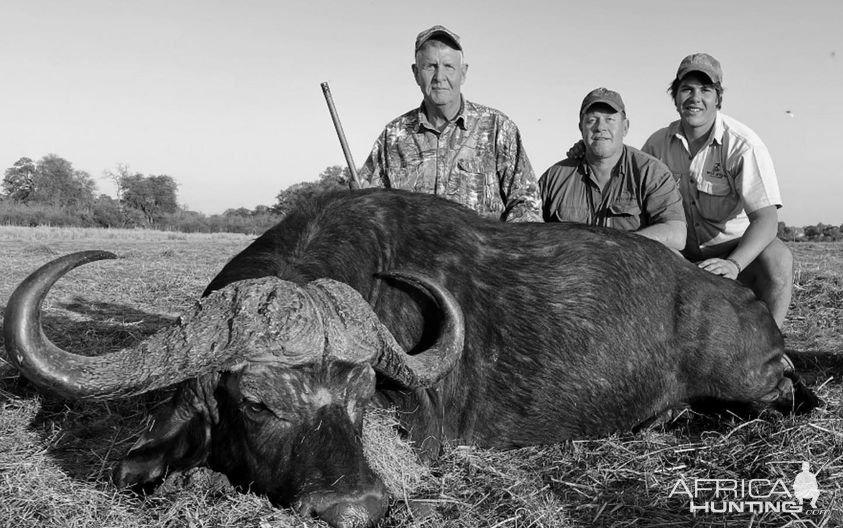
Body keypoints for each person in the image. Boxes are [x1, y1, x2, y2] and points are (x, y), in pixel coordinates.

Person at [642, 53, 793, 328]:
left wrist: (734, 264)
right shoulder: (655, 145)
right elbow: (628, 180)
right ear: (675, 97)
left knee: (779, 259)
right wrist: (585, 154)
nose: (695, 98)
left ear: (718, 98)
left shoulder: (743, 144)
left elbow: (767, 220)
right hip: (680, 256)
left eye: (705, 90)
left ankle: (773, 346)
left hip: (733, 251)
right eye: (686, 89)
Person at [359, 25, 540, 222]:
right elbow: (369, 208)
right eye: (430, 66)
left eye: (448, 66)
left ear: (463, 73)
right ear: (416, 72)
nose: (439, 77)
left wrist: (503, 248)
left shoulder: (499, 129)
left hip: (484, 253)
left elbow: (526, 205)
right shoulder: (393, 136)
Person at [538, 88, 686, 251]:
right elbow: (526, 231)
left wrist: (615, 246)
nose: (600, 127)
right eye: (592, 120)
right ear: (581, 127)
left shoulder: (651, 172)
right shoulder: (554, 178)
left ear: (625, 127)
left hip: (632, 272)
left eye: (610, 119)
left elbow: (676, 234)